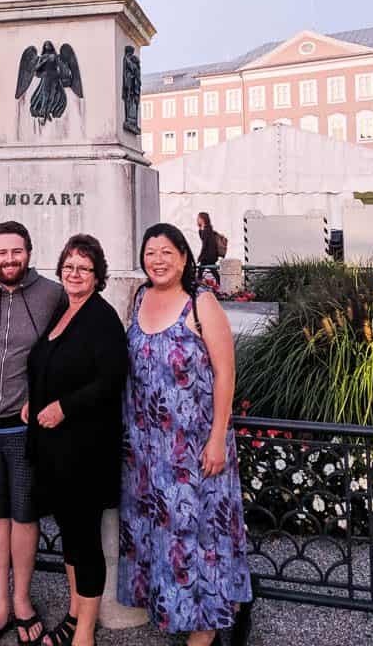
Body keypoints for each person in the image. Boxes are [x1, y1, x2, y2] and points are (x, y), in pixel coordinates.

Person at [118, 223, 253, 646]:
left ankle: (207, 627)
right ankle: (176, 610)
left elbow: (225, 373)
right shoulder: (139, 297)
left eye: (167, 252)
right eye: (151, 251)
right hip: (146, 450)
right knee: (164, 538)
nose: (158, 259)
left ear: (183, 257)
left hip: (194, 447)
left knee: (200, 539)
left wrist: (217, 438)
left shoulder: (201, 303)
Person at [0, 222, 65, 646]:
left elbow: (67, 352)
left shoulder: (52, 294)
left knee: (24, 516)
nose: (10, 259)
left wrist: (47, 395)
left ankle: (22, 600)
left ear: (29, 252)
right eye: (2, 252)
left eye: (17, 252)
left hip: (26, 428)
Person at [26, 234, 127, 646]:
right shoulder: (62, 310)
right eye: (69, 266)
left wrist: (63, 407)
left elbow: (110, 380)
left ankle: (84, 633)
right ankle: (72, 614)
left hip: (85, 450)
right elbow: (46, 362)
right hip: (56, 450)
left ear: (97, 275)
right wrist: (33, 401)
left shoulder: (102, 319)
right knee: (70, 534)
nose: (74, 274)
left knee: (85, 541)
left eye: (84, 268)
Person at [196, 211, 219, 285]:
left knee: (200, 269)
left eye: (198, 218)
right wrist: (200, 229)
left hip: (209, 256)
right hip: (210, 256)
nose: (197, 219)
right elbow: (203, 241)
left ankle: (198, 284)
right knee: (213, 270)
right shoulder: (205, 229)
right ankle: (220, 283)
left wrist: (200, 257)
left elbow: (204, 245)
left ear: (203, 219)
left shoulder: (207, 230)